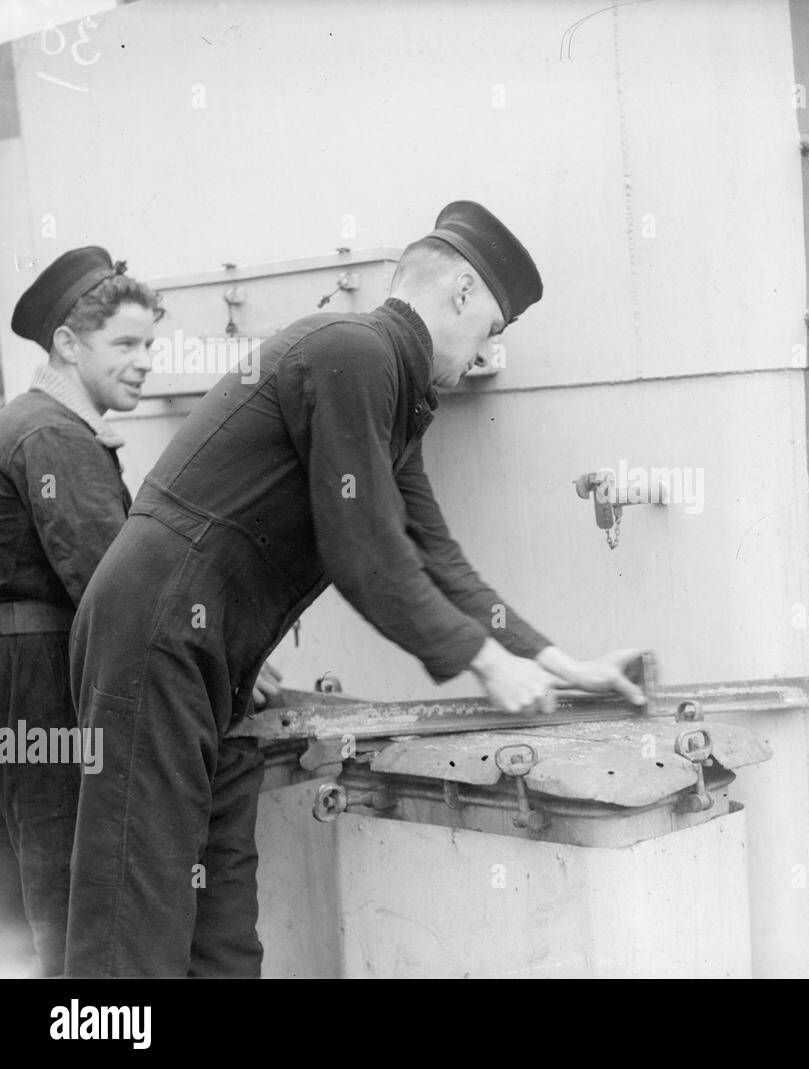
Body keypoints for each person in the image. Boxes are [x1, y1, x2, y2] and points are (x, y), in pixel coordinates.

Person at [65, 201, 645, 977]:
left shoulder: (390, 392)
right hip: (155, 640)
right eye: (493, 330)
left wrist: (556, 661)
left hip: (219, 663)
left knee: (220, 922)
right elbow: (363, 551)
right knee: (133, 923)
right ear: (462, 292)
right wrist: (484, 659)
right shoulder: (352, 352)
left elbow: (433, 556)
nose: (484, 353)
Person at [0, 248, 158, 975]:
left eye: (149, 343)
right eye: (125, 343)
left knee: (25, 891)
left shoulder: (29, 422)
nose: (145, 361)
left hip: (19, 680)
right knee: (69, 883)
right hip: (45, 681)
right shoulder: (56, 433)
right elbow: (110, 583)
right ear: (67, 344)